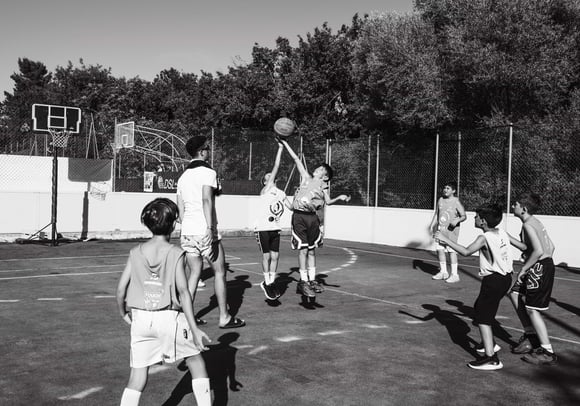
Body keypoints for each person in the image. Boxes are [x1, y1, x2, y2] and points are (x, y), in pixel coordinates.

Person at [116, 198, 211, 405]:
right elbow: (184, 292)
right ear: (174, 224)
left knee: (137, 377)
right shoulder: (176, 253)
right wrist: (194, 328)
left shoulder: (135, 252)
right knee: (196, 361)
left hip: (140, 319)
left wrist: (123, 312)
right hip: (169, 318)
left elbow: (121, 289)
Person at [177, 135, 245, 329]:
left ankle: (187, 318)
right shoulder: (208, 172)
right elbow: (207, 199)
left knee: (194, 274)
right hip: (204, 230)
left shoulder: (183, 177)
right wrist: (209, 227)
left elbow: (180, 208)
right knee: (219, 272)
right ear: (201, 152)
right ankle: (224, 317)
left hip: (187, 231)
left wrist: (187, 226)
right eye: (207, 148)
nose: (209, 151)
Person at [436, 204, 513, 370]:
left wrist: (445, 239)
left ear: (483, 221)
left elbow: (466, 252)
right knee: (480, 308)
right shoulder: (501, 232)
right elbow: (520, 246)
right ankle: (489, 343)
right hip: (506, 278)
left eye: (477, 216)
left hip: (494, 280)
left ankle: (491, 358)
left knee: (484, 318)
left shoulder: (483, 238)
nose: (474, 218)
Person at [279, 138, 350, 298]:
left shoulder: (323, 186)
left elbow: (328, 202)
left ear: (325, 177)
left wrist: (339, 197)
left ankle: (312, 280)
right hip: (299, 217)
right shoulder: (306, 177)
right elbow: (296, 159)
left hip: (312, 218)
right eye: (318, 168)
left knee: (311, 251)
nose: (317, 169)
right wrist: (285, 143)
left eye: (320, 169)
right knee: (303, 250)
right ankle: (303, 281)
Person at [507, 193, 557, 365]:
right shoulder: (534, 222)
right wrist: (508, 238)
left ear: (524, 209)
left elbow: (539, 251)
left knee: (533, 309)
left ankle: (547, 352)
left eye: (515, 204)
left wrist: (525, 268)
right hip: (540, 265)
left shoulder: (528, 225)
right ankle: (531, 336)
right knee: (514, 294)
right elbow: (550, 247)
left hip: (539, 267)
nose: (513, 206)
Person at [254, 141, 293, 300]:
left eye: (272, 176)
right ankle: (267, 282)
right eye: (268, 177)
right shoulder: (266, 190)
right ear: (265, 182)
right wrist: (280, 148)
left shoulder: (281, 193)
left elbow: (291, 207)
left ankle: (271, 282)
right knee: (267, 256)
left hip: (275, 228)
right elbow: (276, 166)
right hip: (263, 228)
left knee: (275, 256)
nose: (271, 176)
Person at [429, 181, 467, 283]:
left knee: (451, 251)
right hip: (441, 231)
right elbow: (437, 214)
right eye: (444, 188)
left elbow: (464, 216)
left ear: (453, 191)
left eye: (448, 188)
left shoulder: (456, 202)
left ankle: (455, 275)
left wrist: (457, 220)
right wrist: (432, 225)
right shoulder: (440, 200)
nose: (445, 190)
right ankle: (443, 272)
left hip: (451, 232)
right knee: (440, 250)